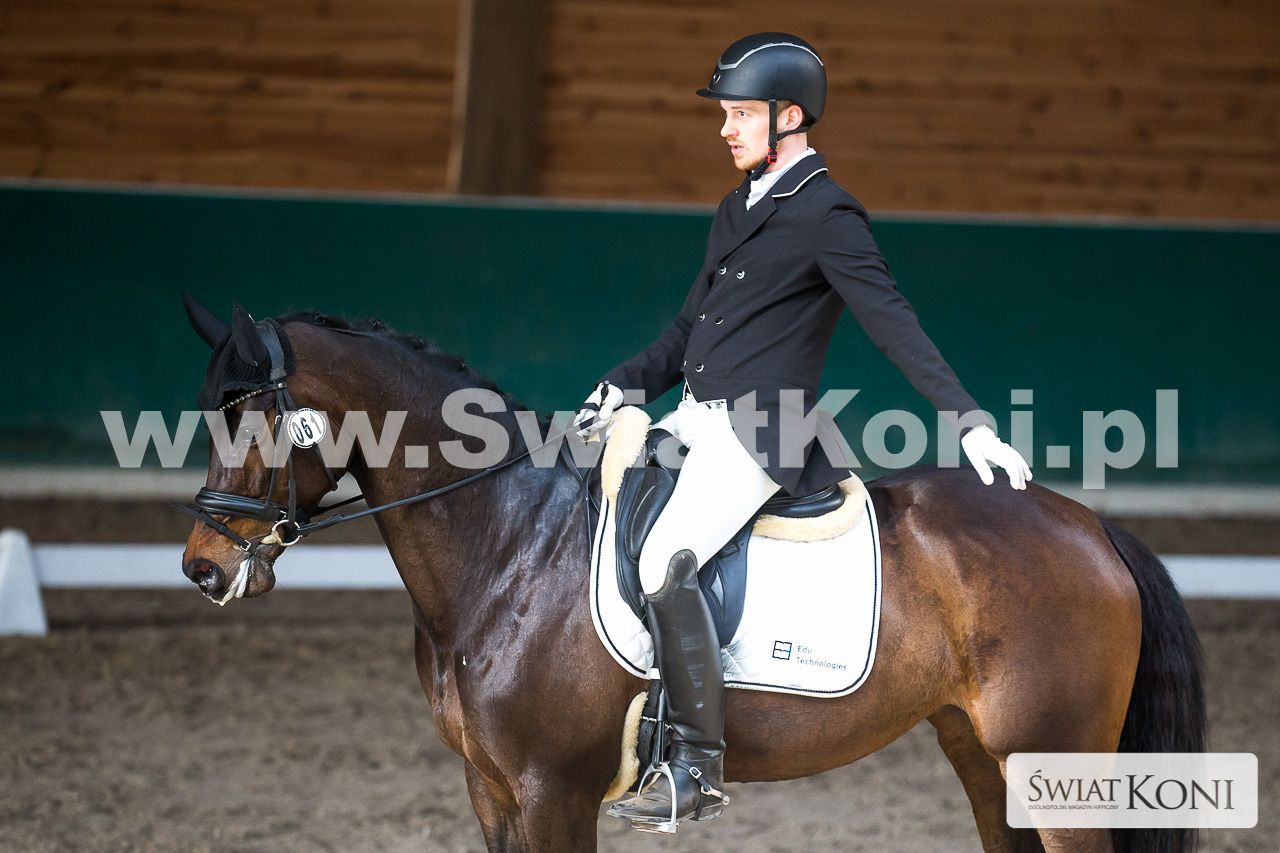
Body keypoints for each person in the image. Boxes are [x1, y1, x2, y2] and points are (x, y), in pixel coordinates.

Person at [572, 32, 1032, 830]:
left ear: (790, 116)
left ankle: (695, 764)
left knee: (664, 557)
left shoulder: (828, 212)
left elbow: (893, 322)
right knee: (601, 507)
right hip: (693, 419)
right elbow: (686, 332)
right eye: (724, 114)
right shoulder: (738, 206)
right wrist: (622, 385)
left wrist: (972, 424)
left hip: (760, 434)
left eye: (741, 114)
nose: (725, 128)